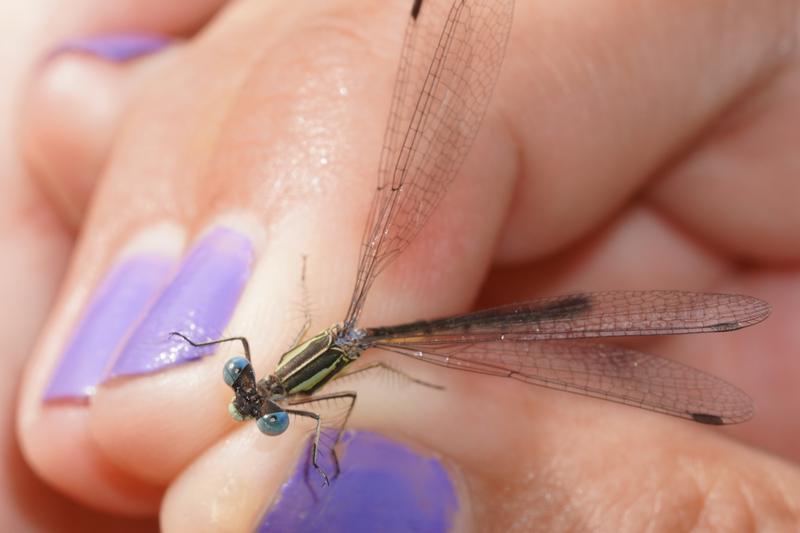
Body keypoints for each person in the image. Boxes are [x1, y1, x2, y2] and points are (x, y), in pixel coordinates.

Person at [7, 0, 800, 530]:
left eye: (264, 404)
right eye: (264, 406)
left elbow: (328, 399)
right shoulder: (286, 373)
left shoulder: (306, 375)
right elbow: (276, 371)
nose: (260, 399)